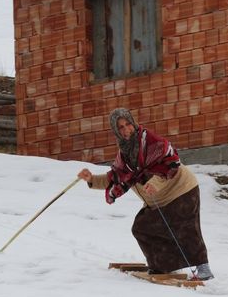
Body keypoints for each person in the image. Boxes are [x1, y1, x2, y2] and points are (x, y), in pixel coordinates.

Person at [78, 108, 214, 280]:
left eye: (128, 124)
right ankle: (163, 265)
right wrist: (90, 179)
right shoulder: (125, 155)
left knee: (185, 227)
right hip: (158, 199)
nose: (126, 129)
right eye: (121, 127)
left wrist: (155, 183)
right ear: (116, 131)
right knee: (142, 227)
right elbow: (114, 178)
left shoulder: (151, 142)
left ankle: (204, 268)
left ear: (133, 123)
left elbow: (171, 163)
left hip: (182, 189)